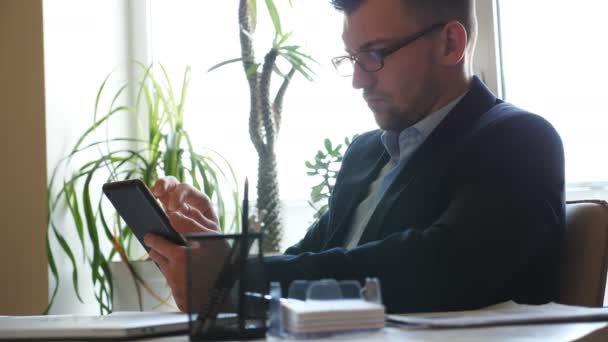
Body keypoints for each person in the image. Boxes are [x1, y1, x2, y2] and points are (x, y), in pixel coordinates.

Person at [144, 0, 565, 314]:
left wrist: (234, 276)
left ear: (450, 43)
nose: (358, 80)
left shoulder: (517, 139)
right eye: (353, 58)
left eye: (375, 55)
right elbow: (307, 257)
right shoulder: (365, 153)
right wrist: (217, 260)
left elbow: (446, 264)